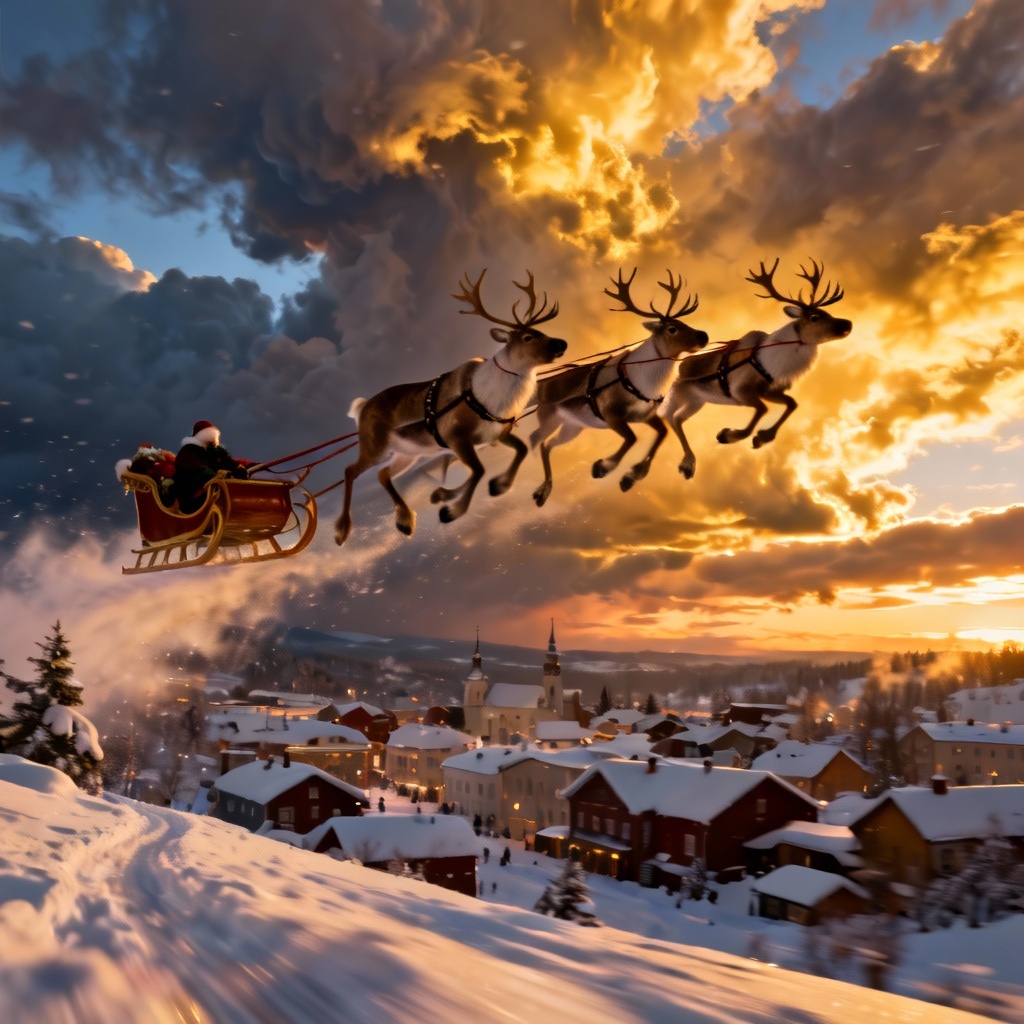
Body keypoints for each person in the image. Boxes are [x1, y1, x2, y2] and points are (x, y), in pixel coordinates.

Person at [174, 420, 253, 514]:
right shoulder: (188, 451)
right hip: (193, 497)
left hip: (215, 491)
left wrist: (237, 469)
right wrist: (217, 477)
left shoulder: (215, 452)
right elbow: (196, 471)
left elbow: (227, 463)